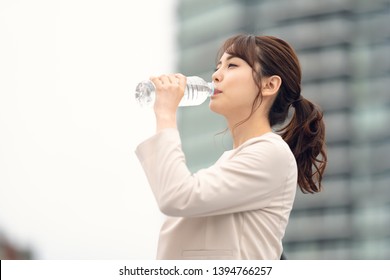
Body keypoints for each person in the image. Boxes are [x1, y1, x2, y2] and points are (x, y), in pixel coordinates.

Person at [135, 34, 327, 259]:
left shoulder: (271, 153)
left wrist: (166, 114)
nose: (216, 75)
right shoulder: (234, 159)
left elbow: (177, 196)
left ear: (269, 85)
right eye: (218, 67)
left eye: (232, 65)